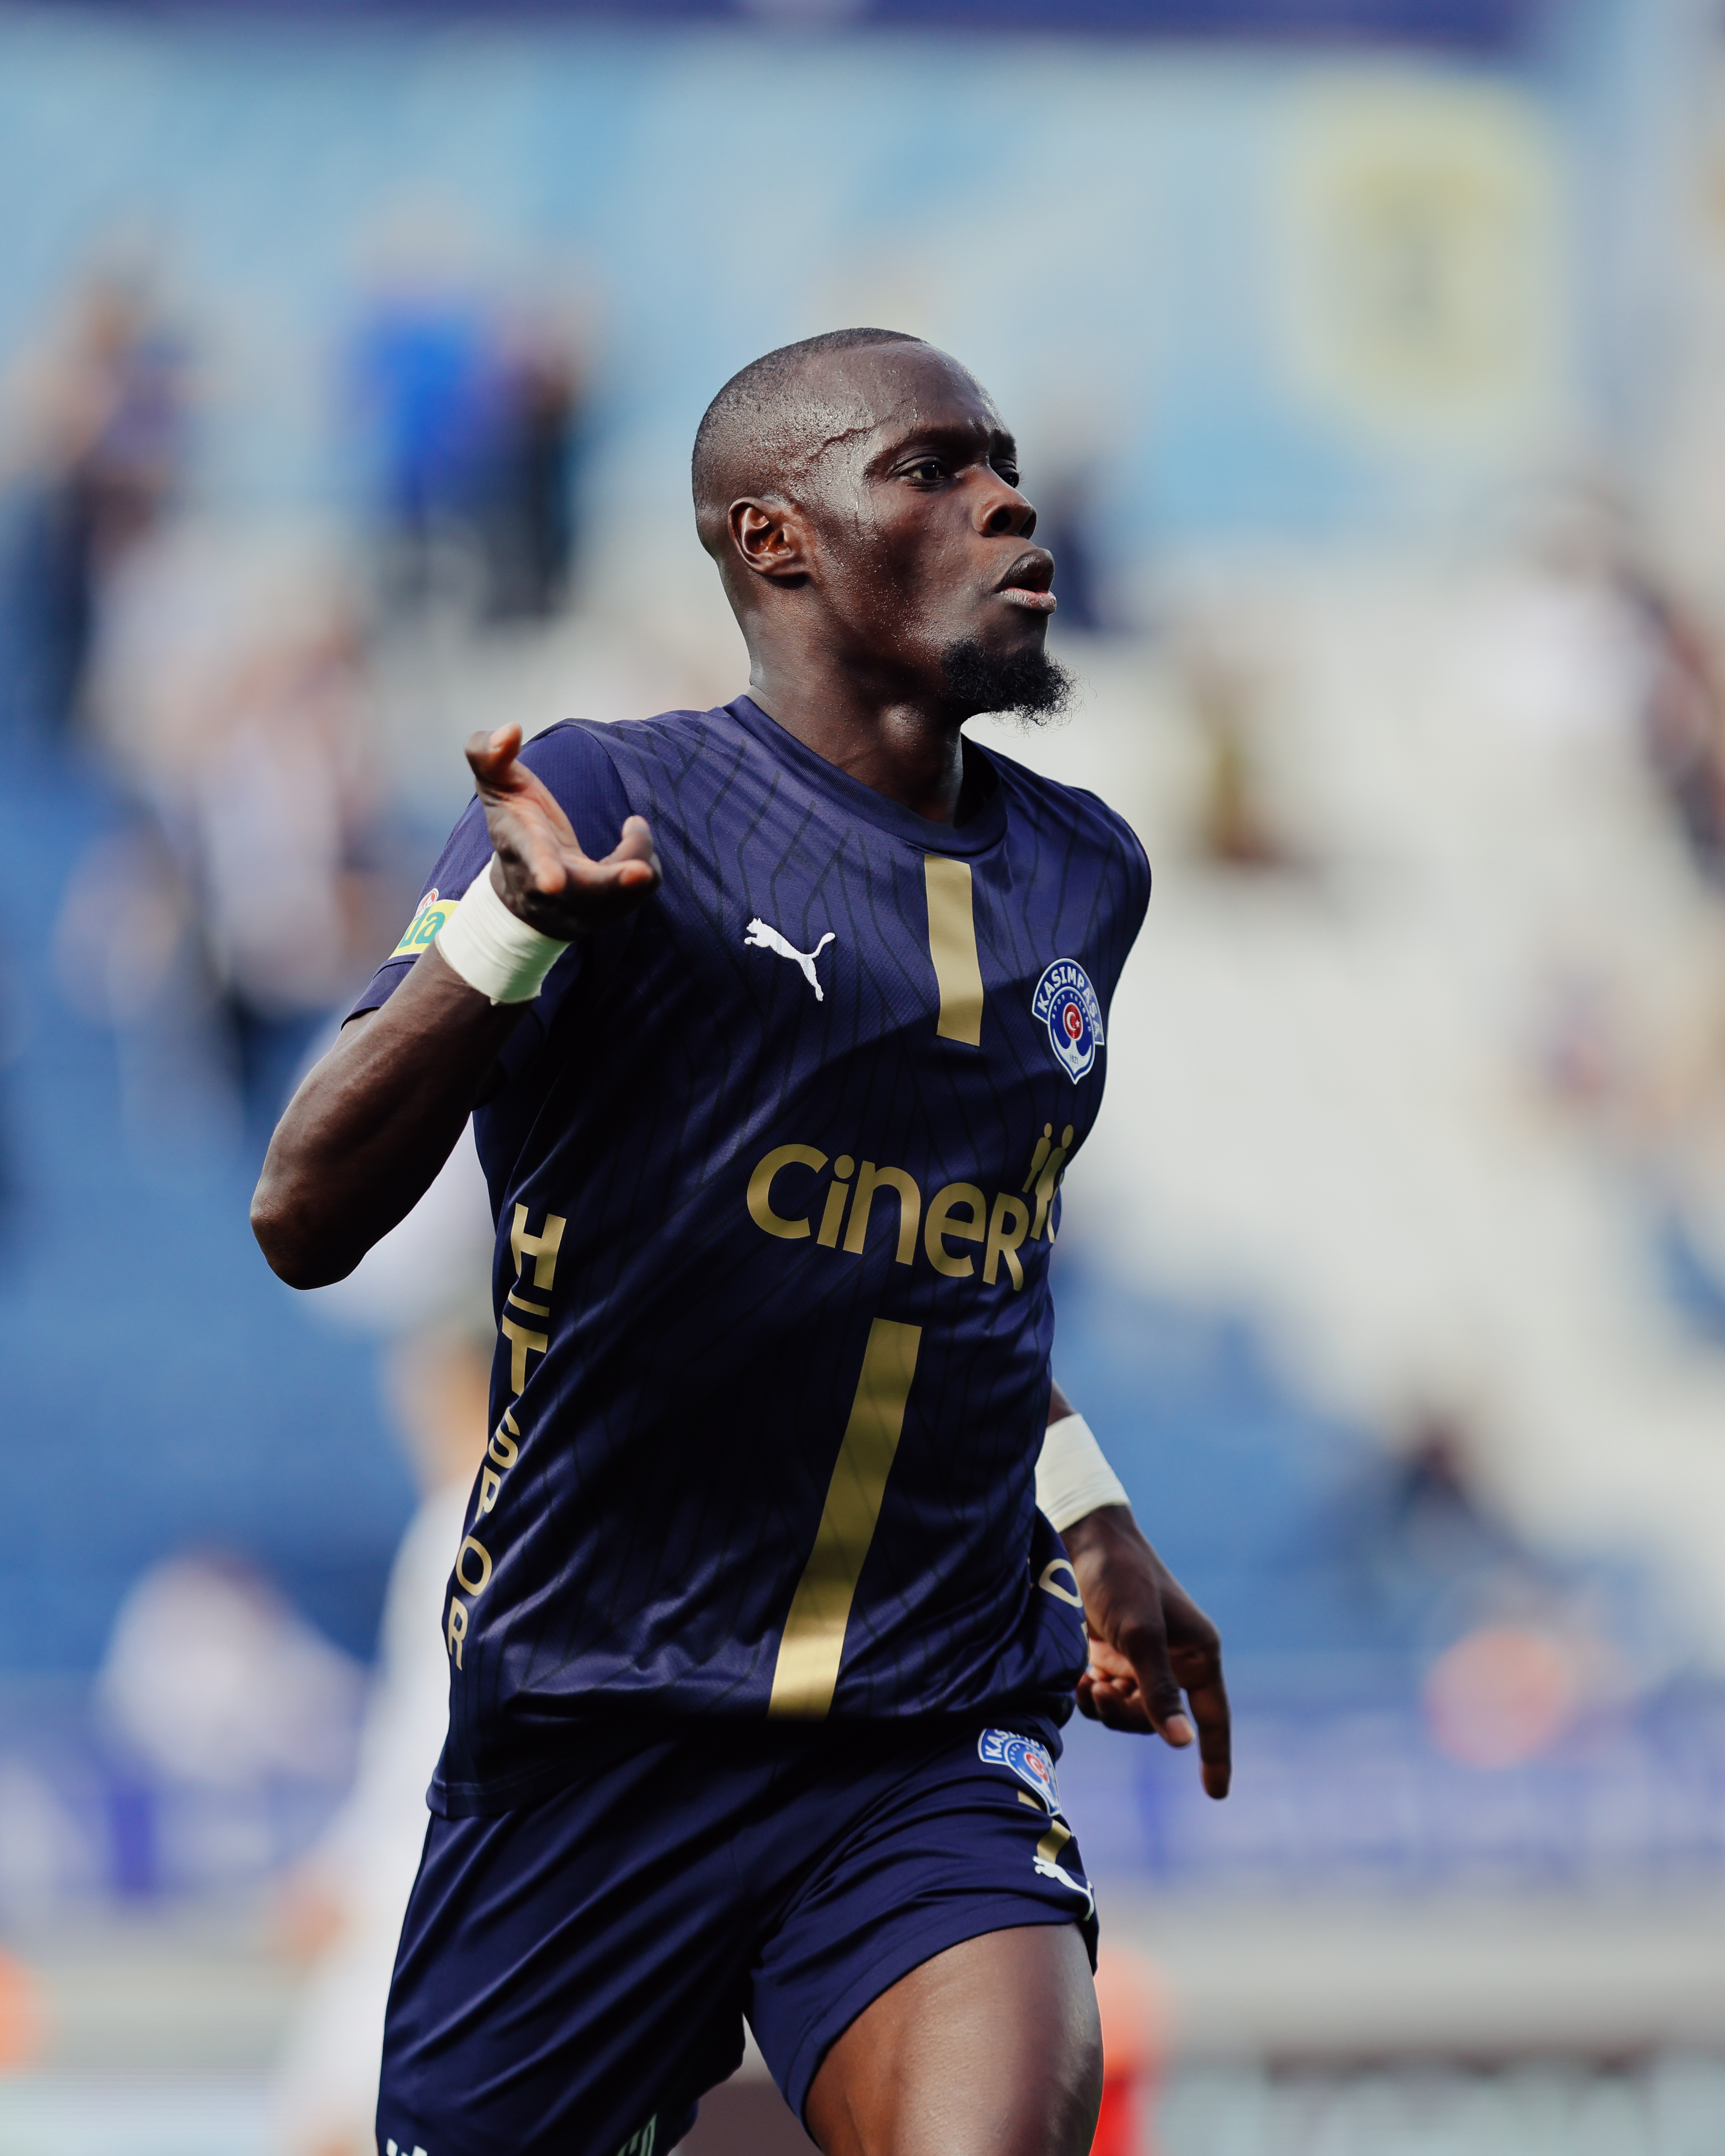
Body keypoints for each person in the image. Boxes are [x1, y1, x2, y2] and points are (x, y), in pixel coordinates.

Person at [252, 328, 1230, 2156]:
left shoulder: (1085, 871)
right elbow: (302, 1215)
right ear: (774, 540)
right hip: (594, 1731)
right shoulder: (609, 799)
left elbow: (960, 1259)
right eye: (932, 468)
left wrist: (1087, 1509)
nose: (1005, 503)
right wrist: (509, 942)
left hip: (923, 1728)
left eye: (1005, 464)